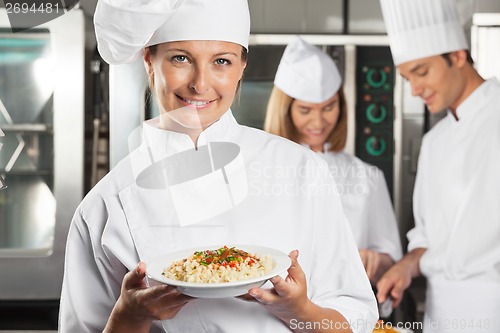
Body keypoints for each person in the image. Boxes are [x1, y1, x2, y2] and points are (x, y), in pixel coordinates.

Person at [58, 1, 378, 333]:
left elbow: (355, 317)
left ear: (242, 67)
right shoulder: (104, 206)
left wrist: (297, 308)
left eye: (221, 61)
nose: (200, 84)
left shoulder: (300, 169)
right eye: (180, 58)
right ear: (149, 60)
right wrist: (131, 315)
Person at [376, 0, 500, 332]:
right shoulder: (435, 141)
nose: (415, 89)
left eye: (421, 72)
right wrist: (406, 265)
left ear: (457, 56)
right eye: (407, 78)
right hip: (440, 312)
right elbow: (428, 236)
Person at [264, 37, 402, 285]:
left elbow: (390, 258)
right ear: (285, 110)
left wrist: (376, 260)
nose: (318, 123)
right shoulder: (262, 169)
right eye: (305, 110)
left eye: (329, 108)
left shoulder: (367, 176)